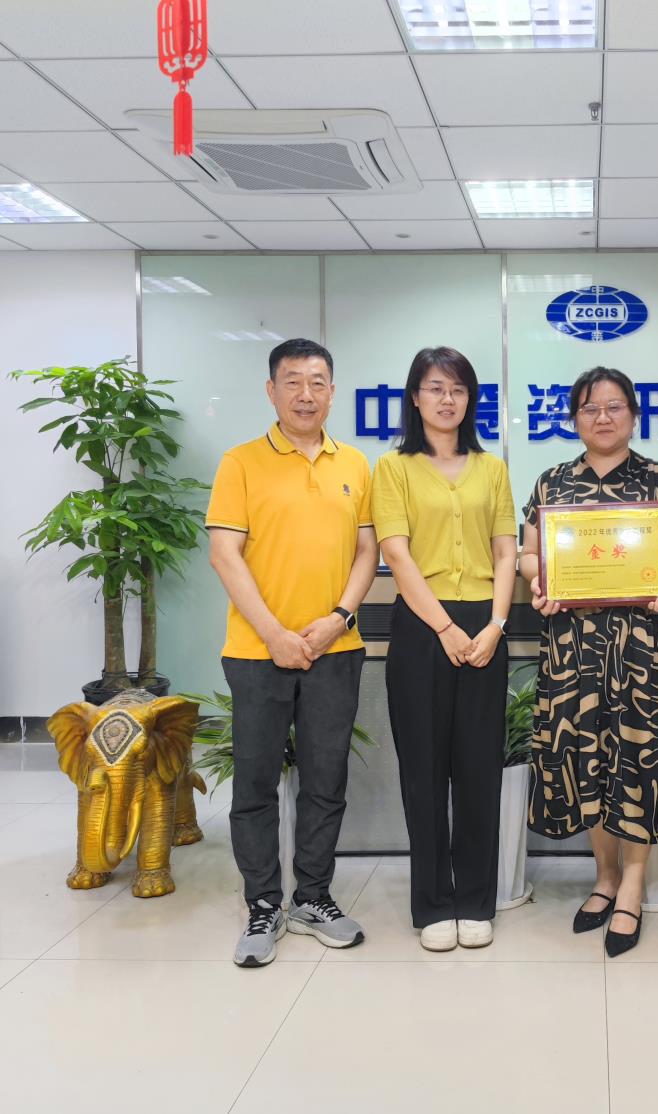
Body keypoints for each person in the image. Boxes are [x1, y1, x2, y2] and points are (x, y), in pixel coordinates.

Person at [207, 337, 377, 968]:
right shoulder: (241, 463)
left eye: (317, 382)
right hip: (257, 652)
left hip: (336, 649)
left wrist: (338, 618)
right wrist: (275, 634)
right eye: (293, 382)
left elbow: (368, 551)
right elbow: (224, 554)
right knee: (254, 783)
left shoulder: (354, 464)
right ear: (271, 391)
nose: (306, 394)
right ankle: (262, 903)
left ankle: (312, 898)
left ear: (332, 391)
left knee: (325, 781)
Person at [518, 367, 658, 957]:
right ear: (575, 418)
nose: (603, 417)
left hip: (644, 645)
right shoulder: (551, 483)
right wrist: (540, 580)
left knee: (640, 759)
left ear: (634, 415)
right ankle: (605, 877)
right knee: (586, 759)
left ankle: (633, 887)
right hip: (573, 648)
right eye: (590, 408)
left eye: (615, 406)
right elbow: (528, 554)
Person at [373, 347, 516, 952]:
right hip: (421, 627)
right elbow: (396, 553)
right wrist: (444, 627)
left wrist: (497, 624)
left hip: (485, 626)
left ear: (470, 399)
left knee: (479, 769)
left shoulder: (492, 468)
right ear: (415, 397)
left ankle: (476, 901)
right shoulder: (393, 468)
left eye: (458, 389)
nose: (447, 399)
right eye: (435, 387)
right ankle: (433, 904)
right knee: (424, 771)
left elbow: (506, 550)